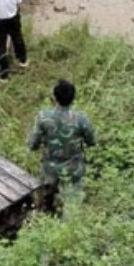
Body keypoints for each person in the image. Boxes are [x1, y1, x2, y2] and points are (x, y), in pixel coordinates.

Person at [28, 80, 97, 208]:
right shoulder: (81, 118)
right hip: (74, 168)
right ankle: (67, 224)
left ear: (54, 97)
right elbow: (92, 141)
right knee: (72, 204)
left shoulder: (43, 117)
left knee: (46, 197)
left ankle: (46, 213)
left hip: (50, 167)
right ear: (73, 97)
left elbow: (32, 144)